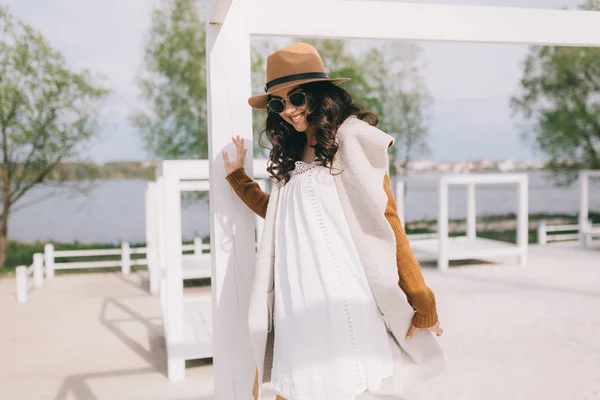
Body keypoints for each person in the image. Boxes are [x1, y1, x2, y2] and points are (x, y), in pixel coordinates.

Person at [222, 43, 444, 400]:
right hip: (296, 295)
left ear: (319, 94)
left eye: (296, 97)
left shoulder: (351, 139)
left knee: (322, 386)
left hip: (338, 292)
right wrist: (238, 179)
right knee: (293, 385)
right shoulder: (292, 157)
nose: (289, 110)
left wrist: (421, 298)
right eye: (279, 104)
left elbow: (386, 219)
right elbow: (283, 218)